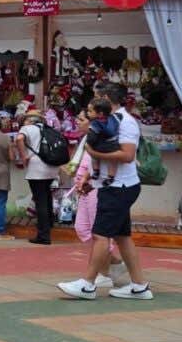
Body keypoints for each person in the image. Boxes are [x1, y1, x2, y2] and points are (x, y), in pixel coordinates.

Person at [59, 83, 152, 300]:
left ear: (107, 99)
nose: (93, 103)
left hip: (118, 188)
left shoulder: (124, 122)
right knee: (122, 237)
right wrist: (90, 178)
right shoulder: (108, 121)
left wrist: (92, 152)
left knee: (100, 235)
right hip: (112, 186)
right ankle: (139, 286)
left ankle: (88, 285)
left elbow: (128, 155)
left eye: (97, 97)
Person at [71, 149, 129, 287]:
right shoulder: (88, 138)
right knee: (82, 228)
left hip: (97, 187)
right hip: (85, 186)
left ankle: (103, 274)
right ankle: (114, 263)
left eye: (82, 124)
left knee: (100, 232)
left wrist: (90, 179)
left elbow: (106, 161)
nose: (78, 125)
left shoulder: (103, 133)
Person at [14, 109, 58, 244]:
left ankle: (43, 236)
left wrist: (23, 156)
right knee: (47, 196)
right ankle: (50, 224)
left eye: (25, 119)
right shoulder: (48, 128)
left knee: (40, 201)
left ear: (30, 120)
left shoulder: (27, 128)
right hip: (51, 168)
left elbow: (19, 138)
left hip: (36, 169)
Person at [85, 97, 120, 185]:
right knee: (113, 161)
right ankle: (111, 177)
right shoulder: (113, 118)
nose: (87, 113)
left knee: (94, 157)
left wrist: (88, 144)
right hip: (114, 145)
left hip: (100, 146)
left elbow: (92, 138)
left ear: (100, 114)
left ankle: (96, 171)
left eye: (90, 111)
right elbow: (120, 117)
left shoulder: (95, 123)